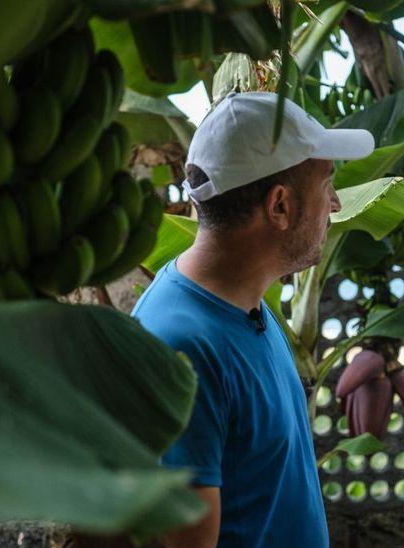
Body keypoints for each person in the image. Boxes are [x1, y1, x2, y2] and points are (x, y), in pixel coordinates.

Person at [132, 91, 374, 548]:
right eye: (326, 184)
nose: (336, 203)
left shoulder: (247, 304)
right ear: (279, 205)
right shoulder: (182, 342)